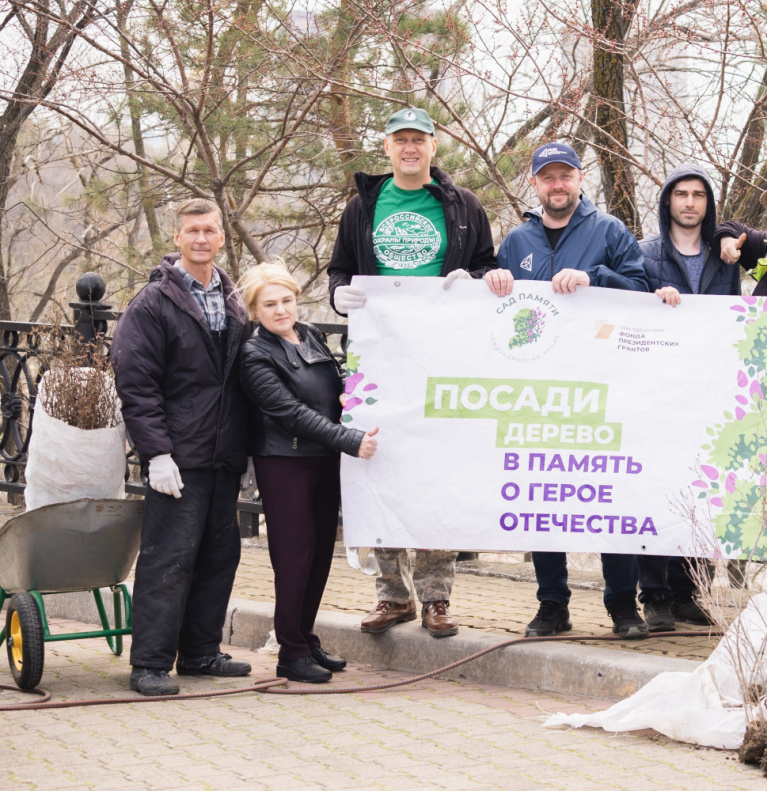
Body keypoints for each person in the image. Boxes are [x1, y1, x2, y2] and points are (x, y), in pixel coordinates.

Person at [327, 107, 496, 638]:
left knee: (436, 472)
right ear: (387, 147)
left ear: (433, 147)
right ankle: (392, 596)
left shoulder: (463, 206)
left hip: (441, 356)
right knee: (376, 465)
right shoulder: (363, 206)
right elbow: (338, 267)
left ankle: (437, 598)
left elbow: (490, 265)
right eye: (400, 140)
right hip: (377, 358)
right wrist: (339, 294)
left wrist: (475, 281)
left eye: (419, 140)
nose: (410, 149)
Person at [484, 141, 650, 639]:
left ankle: (623, 605)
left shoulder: (609, 230)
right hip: (540, 391)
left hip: (605, 386)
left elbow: (641, 291)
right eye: (547, 177)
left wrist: (596, 277)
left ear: (580, 179)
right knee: (543, 496)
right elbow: (496, 316)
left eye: (566, 175)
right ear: (534, 185)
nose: (557, 184)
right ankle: (552, 604)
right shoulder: (517, 242)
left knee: (608, 494)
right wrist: (490, 278)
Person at [111, 199, 253, 696]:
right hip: (179, 454)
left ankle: (200, 652)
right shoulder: (152, 304)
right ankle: (149, 663)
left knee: (219, 556)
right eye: (192, 231)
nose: (200, 238)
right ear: (177, 238)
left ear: (220, 237)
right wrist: (157, 453)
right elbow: (137, 384)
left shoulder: (235, 296)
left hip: (224, 454)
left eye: (209, 230)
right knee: (168, 558)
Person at [238, 264, 380, 683]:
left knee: (319, 554)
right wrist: (349, 439)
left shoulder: (310, 335)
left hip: (324, 459)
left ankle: (305, 636)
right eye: (270, 304)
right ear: (254, 310)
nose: (281, 310)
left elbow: (334, 387)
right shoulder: (255, 354)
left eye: (287, 300)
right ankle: (290, 652)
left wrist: (353, 402)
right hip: (285, 462)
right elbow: (289, 413)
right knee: (294, 557)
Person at [637, 163, 734, 631]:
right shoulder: (645, 253)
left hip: (706, 388)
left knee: (699, 488)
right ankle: (653, 595)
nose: (690, 203)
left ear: (708, 204)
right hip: (656, 389)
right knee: (654, 487)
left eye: (699, 195)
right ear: (668, 202)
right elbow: (626, 302)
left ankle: (688, 591)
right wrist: (653, 298)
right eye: (681, 195)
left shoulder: (724, 258)